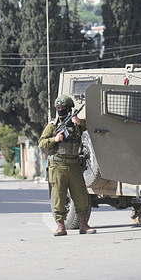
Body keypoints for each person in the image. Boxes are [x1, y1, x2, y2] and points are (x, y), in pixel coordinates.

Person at [39, 95, 96, 236]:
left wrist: (79, 123)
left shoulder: (76, 123)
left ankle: (84, 224)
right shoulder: (52, 125)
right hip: (58, 166)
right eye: (58, 108)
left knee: (81, 196)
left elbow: (92, 126)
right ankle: (60, 226)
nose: (61, 110)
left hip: (75, 165)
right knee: (59, 196)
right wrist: (55, 139)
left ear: (69, 108)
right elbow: (41, 142)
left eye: (63, 108)